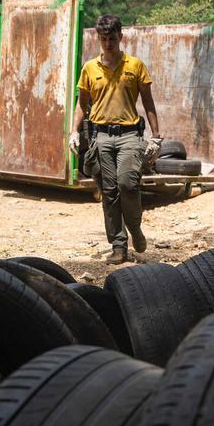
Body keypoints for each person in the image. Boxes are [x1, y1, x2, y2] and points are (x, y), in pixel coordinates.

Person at [69, 15, 162, 265]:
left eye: (112, 38)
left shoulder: (135, 66)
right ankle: (119, 246)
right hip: (100, 136)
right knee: (109, 192)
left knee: (127, 184)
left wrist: (157, 136)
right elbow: (82, 103)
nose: (108, 44)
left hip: (130, 135)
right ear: (98, 39)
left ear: (121, 37)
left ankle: (135, 228)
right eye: (103, 39)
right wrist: (74, 131)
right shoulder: (89, 68)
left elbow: (148, 101)